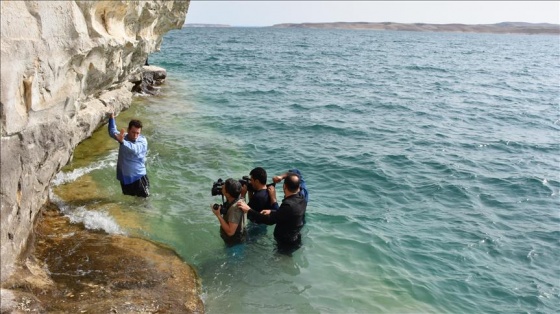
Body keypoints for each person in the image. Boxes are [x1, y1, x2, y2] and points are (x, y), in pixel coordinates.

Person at [237, 170, 307, 252]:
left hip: (286, 244)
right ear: (298, 187)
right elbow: (298, 175)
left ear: (284, 186)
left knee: (283, 263)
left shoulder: (288, 205)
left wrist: (248, 210)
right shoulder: (302, 197)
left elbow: (269, 220)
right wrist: (272, 212)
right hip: (295, 238)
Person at [107, 112, 150, 197]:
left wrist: (122, 141)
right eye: (133, 132)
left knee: (144, 204)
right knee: (129, 203)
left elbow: (134, 149)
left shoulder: (142, 141)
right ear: (128, 130)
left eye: (138, 133)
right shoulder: (124, 137)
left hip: (138, 178)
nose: (135, 135)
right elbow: (112, 131)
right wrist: (111, 118)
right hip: (125, 178)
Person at [212, 178, 246, 246]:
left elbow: (231, 232)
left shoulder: (235, 209)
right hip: (234, 240)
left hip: (235, 243)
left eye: (223, 187)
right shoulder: (237, 197)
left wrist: (218, 215)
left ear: (228, 194)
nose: (221, 188)